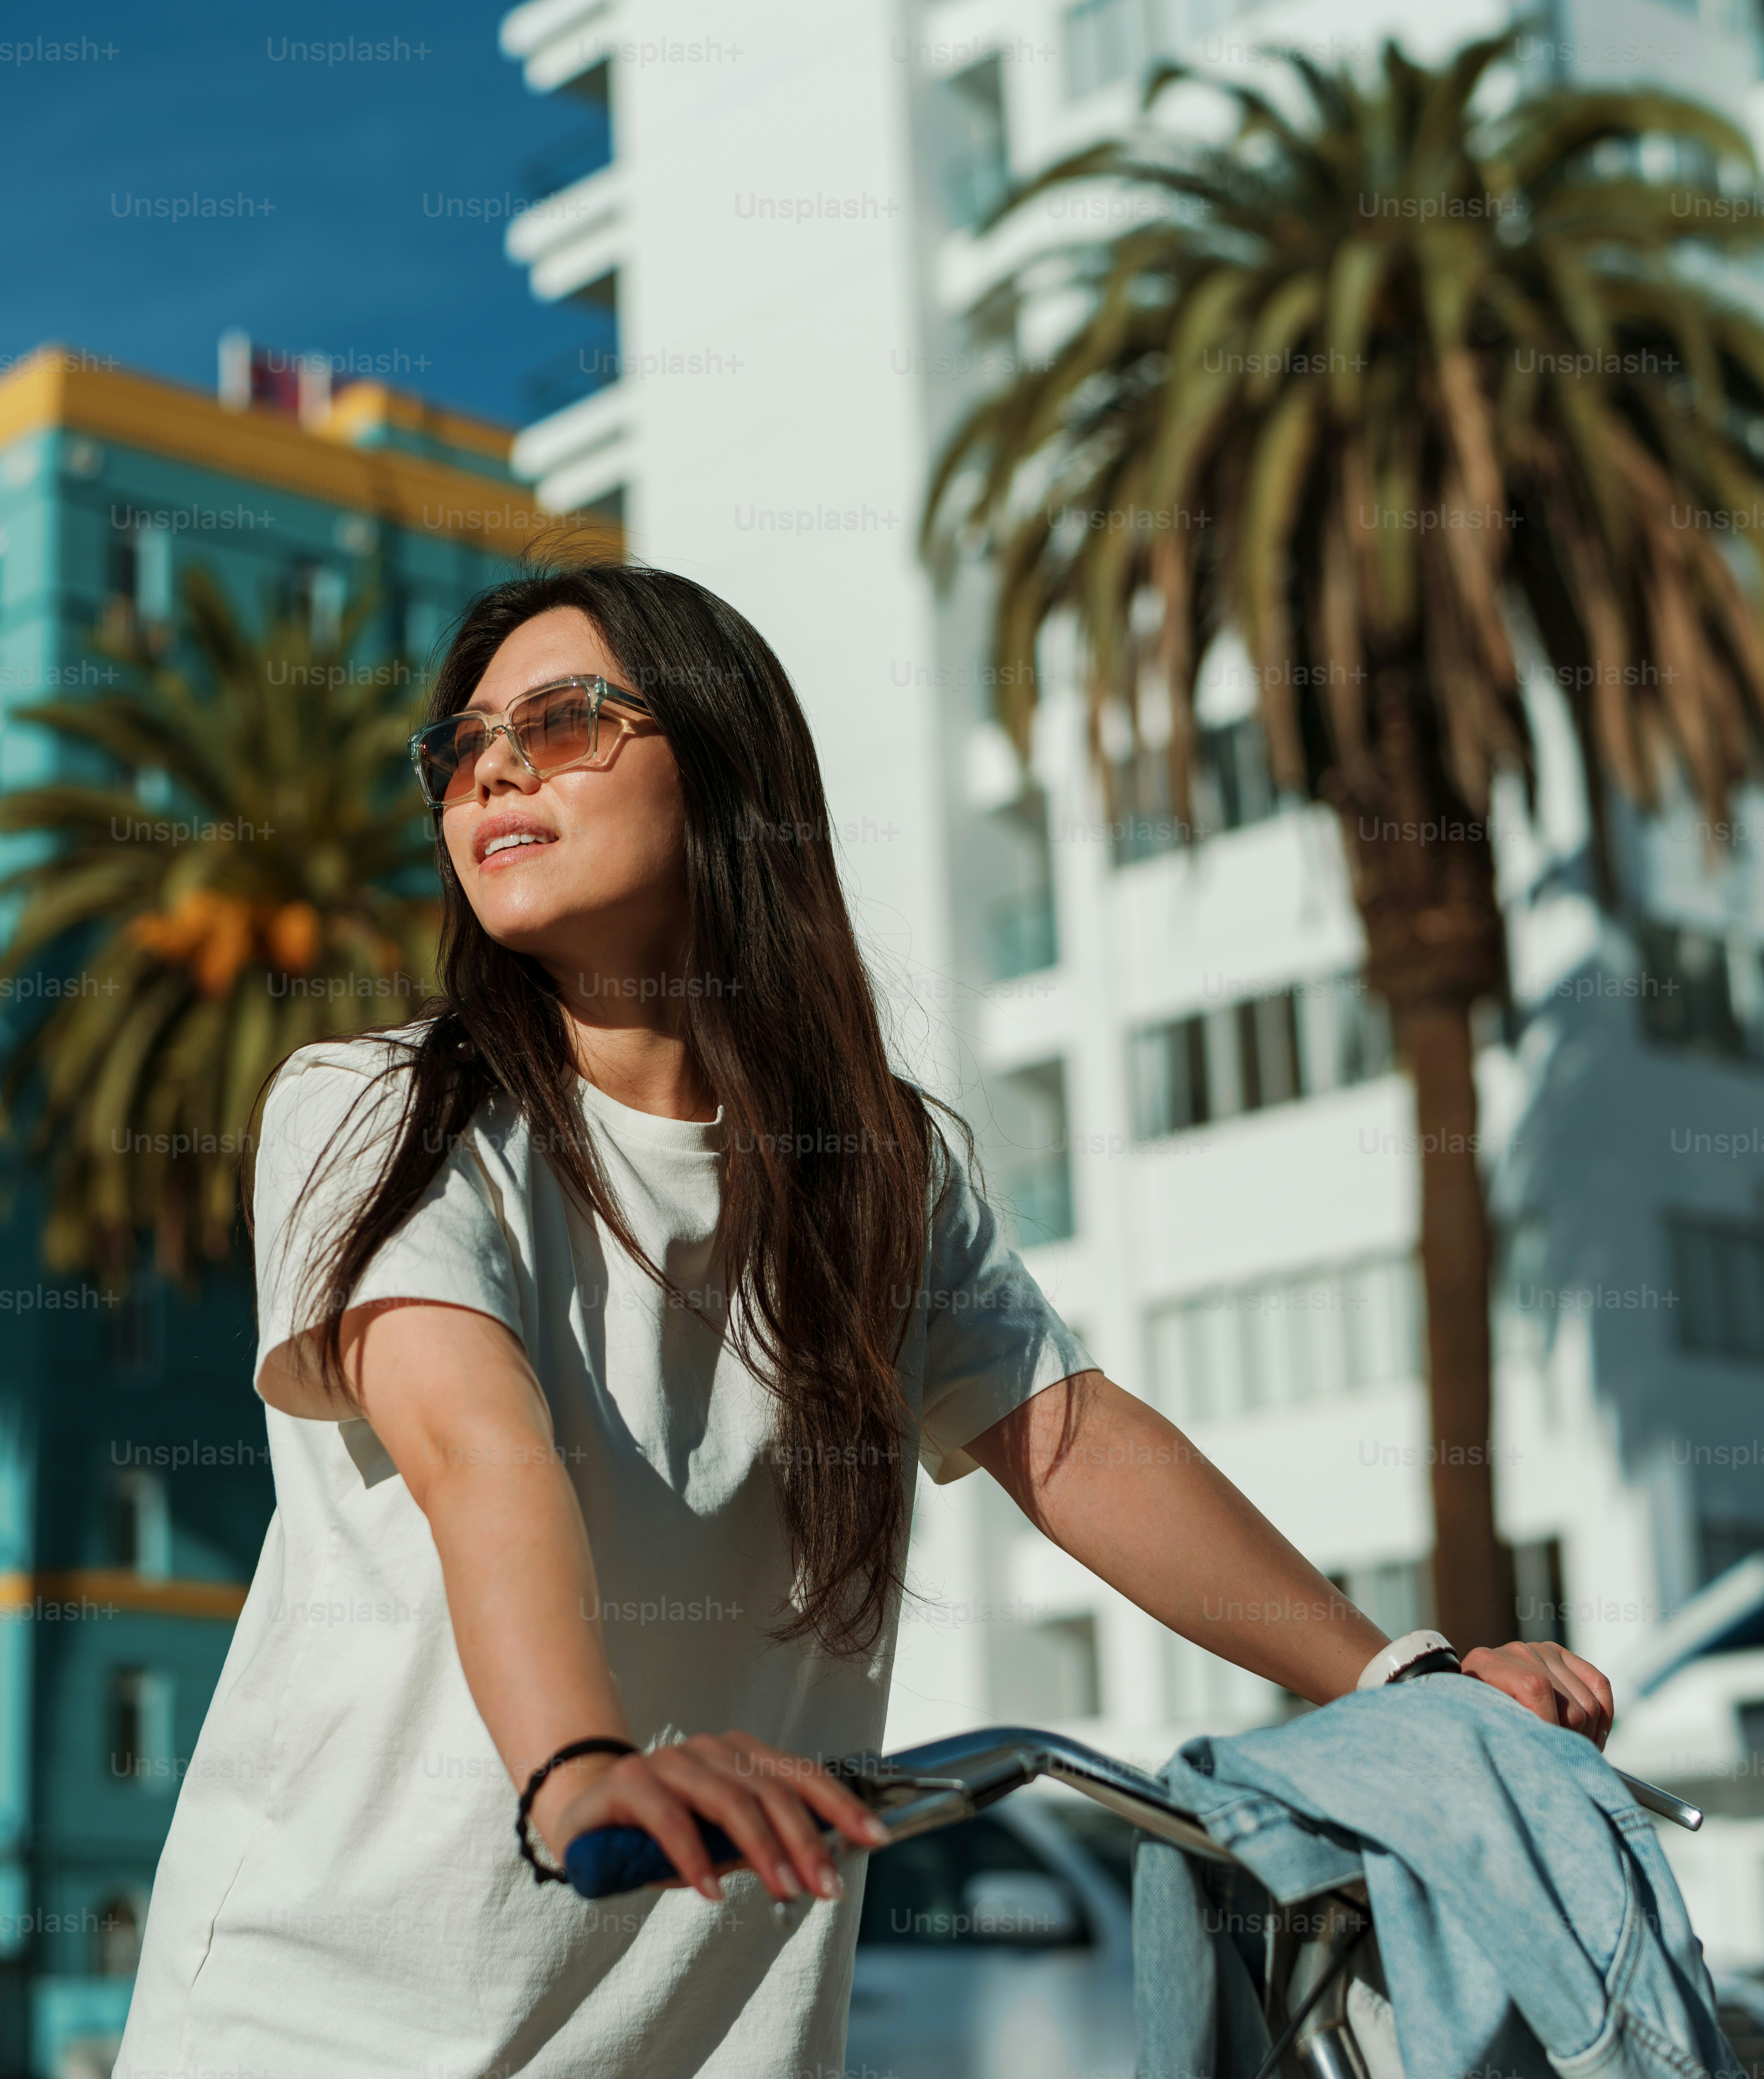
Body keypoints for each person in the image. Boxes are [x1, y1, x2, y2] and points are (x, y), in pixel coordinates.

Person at [112, 562, 1614, 2079]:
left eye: (566, 721)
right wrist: (577, 1768)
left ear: (727, 769)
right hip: (318, 2026)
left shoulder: (876, 1172)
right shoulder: (386, 1110)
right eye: (463, 744)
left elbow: (1071, 1436)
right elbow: (479, 1444)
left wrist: (1401, 1685)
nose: (493, 764)